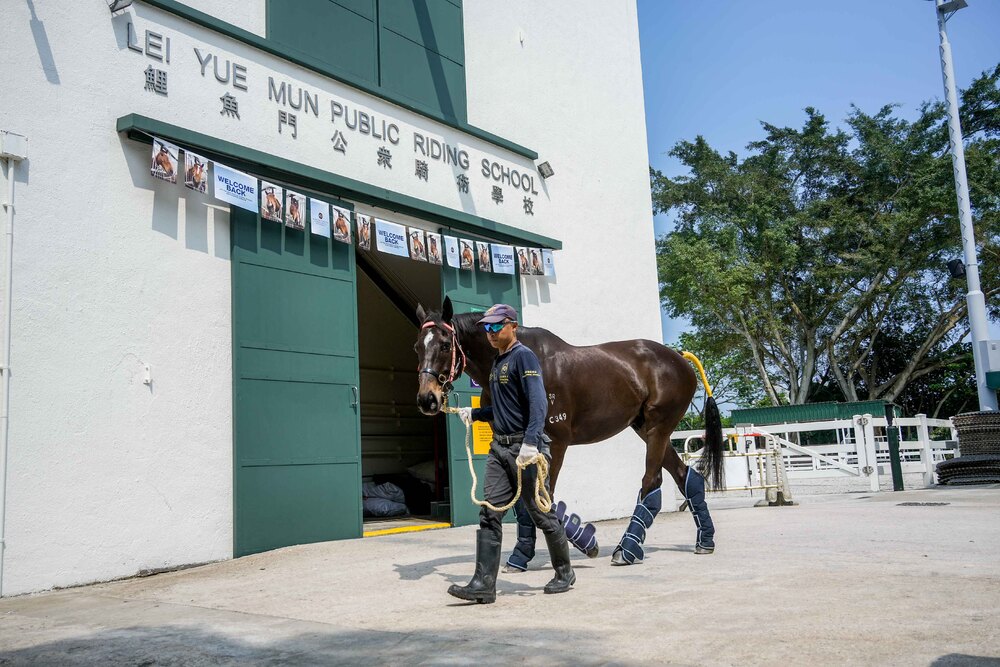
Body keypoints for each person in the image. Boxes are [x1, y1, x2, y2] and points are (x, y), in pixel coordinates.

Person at [449, 304, 575, 603]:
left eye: (496, 327)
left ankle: (564, 571)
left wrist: (531, 444)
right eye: (487, 328)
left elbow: (538, 404)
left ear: (512, 326)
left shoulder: (524, 358)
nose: (490, 333)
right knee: (489, 513)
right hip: (500, 448)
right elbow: (505, 407)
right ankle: (483, 584)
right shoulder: (497, 363)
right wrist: (476, 413)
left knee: (540, 512)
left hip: (524, 447)